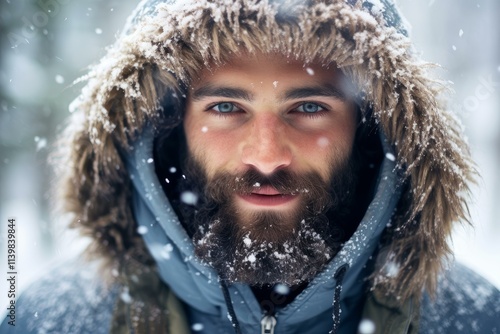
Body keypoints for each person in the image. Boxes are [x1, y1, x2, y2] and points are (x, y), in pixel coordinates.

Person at [2, 0, 500, 333]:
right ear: (167, 125)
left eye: (308, 108)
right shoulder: (52, 319)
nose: (266, 154)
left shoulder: (472, 319)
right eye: (225, 108)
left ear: (369, 129)